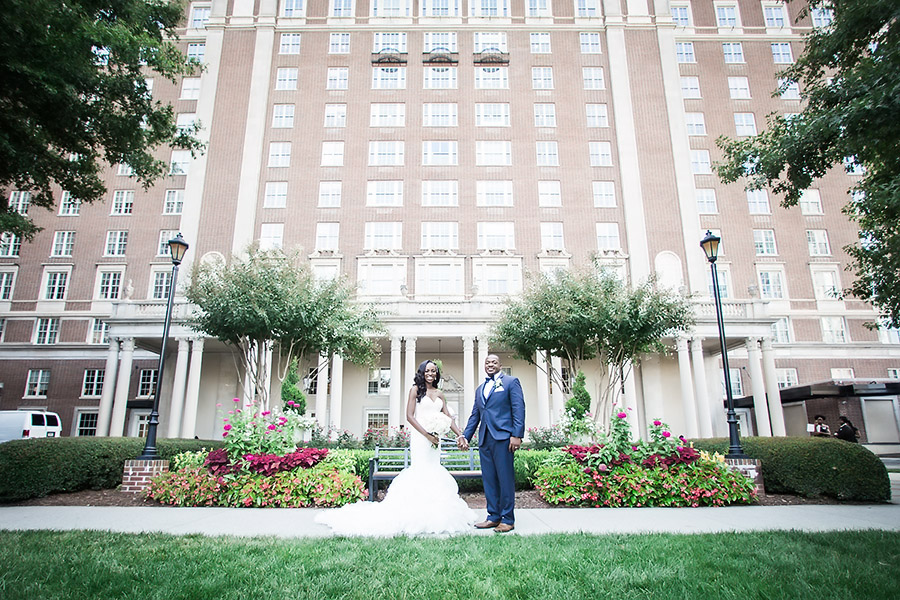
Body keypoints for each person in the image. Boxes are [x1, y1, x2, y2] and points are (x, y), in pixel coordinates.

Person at [315, 360, 476, 536]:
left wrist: (460, 435)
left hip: (436, 441)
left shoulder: (440, 394)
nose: (431, 374)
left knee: (434, 470)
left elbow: (448, 417)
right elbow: (409, 416)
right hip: (421, 439)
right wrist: (427, 435)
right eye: (427, 371)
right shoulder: (415, 390)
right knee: (421, 470)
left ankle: (435, 513)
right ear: (421, 373)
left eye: (434, 371)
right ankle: (416, 513)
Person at [460, 354, 525, 533]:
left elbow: (518, 408)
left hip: (504, 438)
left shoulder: (511, 382)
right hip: (485, 439)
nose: (490, 364)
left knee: (505, 479)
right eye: (487, 362)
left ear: (500, 365)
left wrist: (516, 435)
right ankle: (493, 516)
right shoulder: (480, 388)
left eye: (494, 362)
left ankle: (508, 519)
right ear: (484, 366)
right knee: (489, 480)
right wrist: (466, 435)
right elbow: (475, 415)